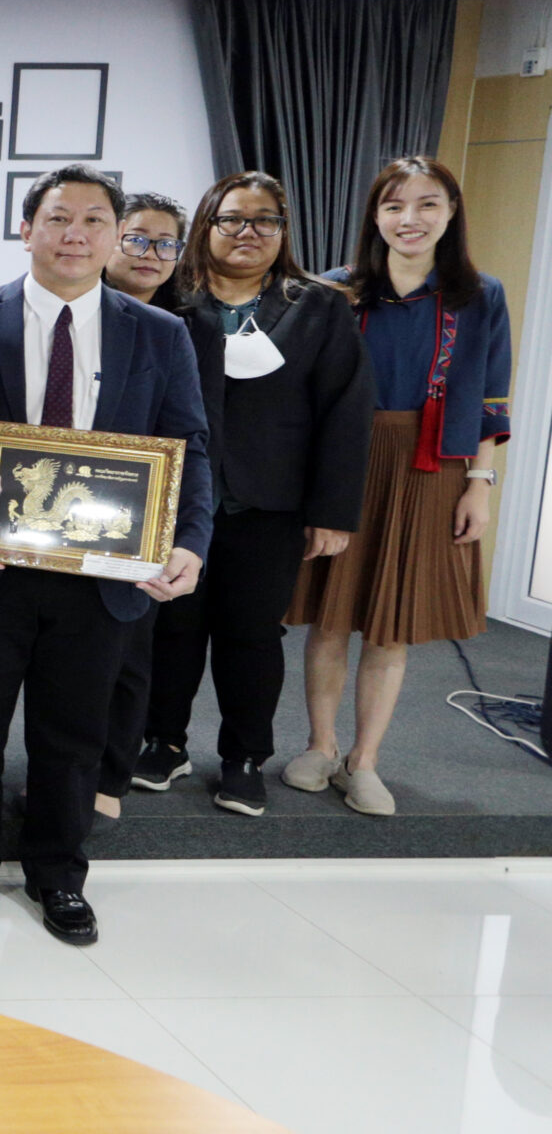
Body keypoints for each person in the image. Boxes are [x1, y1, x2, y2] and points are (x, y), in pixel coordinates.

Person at [0, 167, 210, 948]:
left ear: (115, 236)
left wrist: (189, 540)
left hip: (101, 575)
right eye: (58, 218)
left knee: (75, 731)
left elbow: (190, 445)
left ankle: (58, 870)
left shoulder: (160, 333)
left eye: (93, 220)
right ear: (26, 229)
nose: (75, 234)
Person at [134, 173, 371, 818]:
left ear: (283, 232)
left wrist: (332, 512)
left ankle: (244, 757)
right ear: (207, 226)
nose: (248, 232)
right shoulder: (168, 298)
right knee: (172, 627)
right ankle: (163, 742)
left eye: (265, 220)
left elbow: (345, 414)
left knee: (252, 635)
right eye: (232, 219)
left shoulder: (319, 307)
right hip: (176, 499)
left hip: (270, 504)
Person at [285, 156, 509, 816]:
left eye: (427, 203)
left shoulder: (481, 293)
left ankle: (365, 760)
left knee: (391, 626)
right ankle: (320, 746)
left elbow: (492, 398)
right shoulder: (334, 289)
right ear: (375, 216)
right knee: (330, 618)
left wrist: (480, 485)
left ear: (451, 212)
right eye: (394, 206)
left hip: (430, 465)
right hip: (342, 460)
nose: (410, 218)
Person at [83, 192, 189, 827]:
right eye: (138, 238)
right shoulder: (61, 310)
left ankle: (109, 778)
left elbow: (194, 435)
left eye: (166, 243)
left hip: (140, 522)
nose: (151, 254)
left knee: (128, 657)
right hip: (52, 518)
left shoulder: (183, 329)